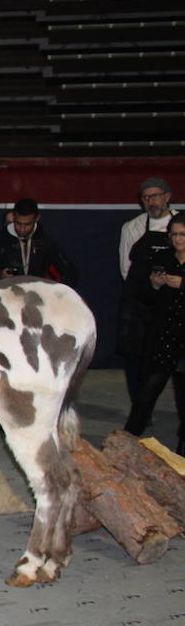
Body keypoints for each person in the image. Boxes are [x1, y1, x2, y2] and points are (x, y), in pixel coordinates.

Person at [124, 212, 185, 455]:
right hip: (163, 336)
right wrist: (155, 285)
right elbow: (145, 298)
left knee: (183, 398)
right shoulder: (163, 257)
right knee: (147, 391)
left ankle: (182, 446)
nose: (178, 239)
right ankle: (127, 437)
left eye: (182, 234)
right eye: (174, 234)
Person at [118, 178, 173, 399]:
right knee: (136, 357)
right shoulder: (132, 227)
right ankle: (140, 406)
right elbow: (125, 269)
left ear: (167, 196)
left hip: (173, 301)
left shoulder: (181, 223)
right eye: (146, 197)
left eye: (156, 196)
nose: (151, 201)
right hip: (139, 303)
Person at [0, 198, 79, 286]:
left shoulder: (45, 241)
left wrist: (56, 292)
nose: (22, 229)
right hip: (8, 296)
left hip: (35, 297)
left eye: (27, 224)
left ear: (37, 219)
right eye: (18, 223)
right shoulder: (0, 239)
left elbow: (70, 272)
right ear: (13, 217)